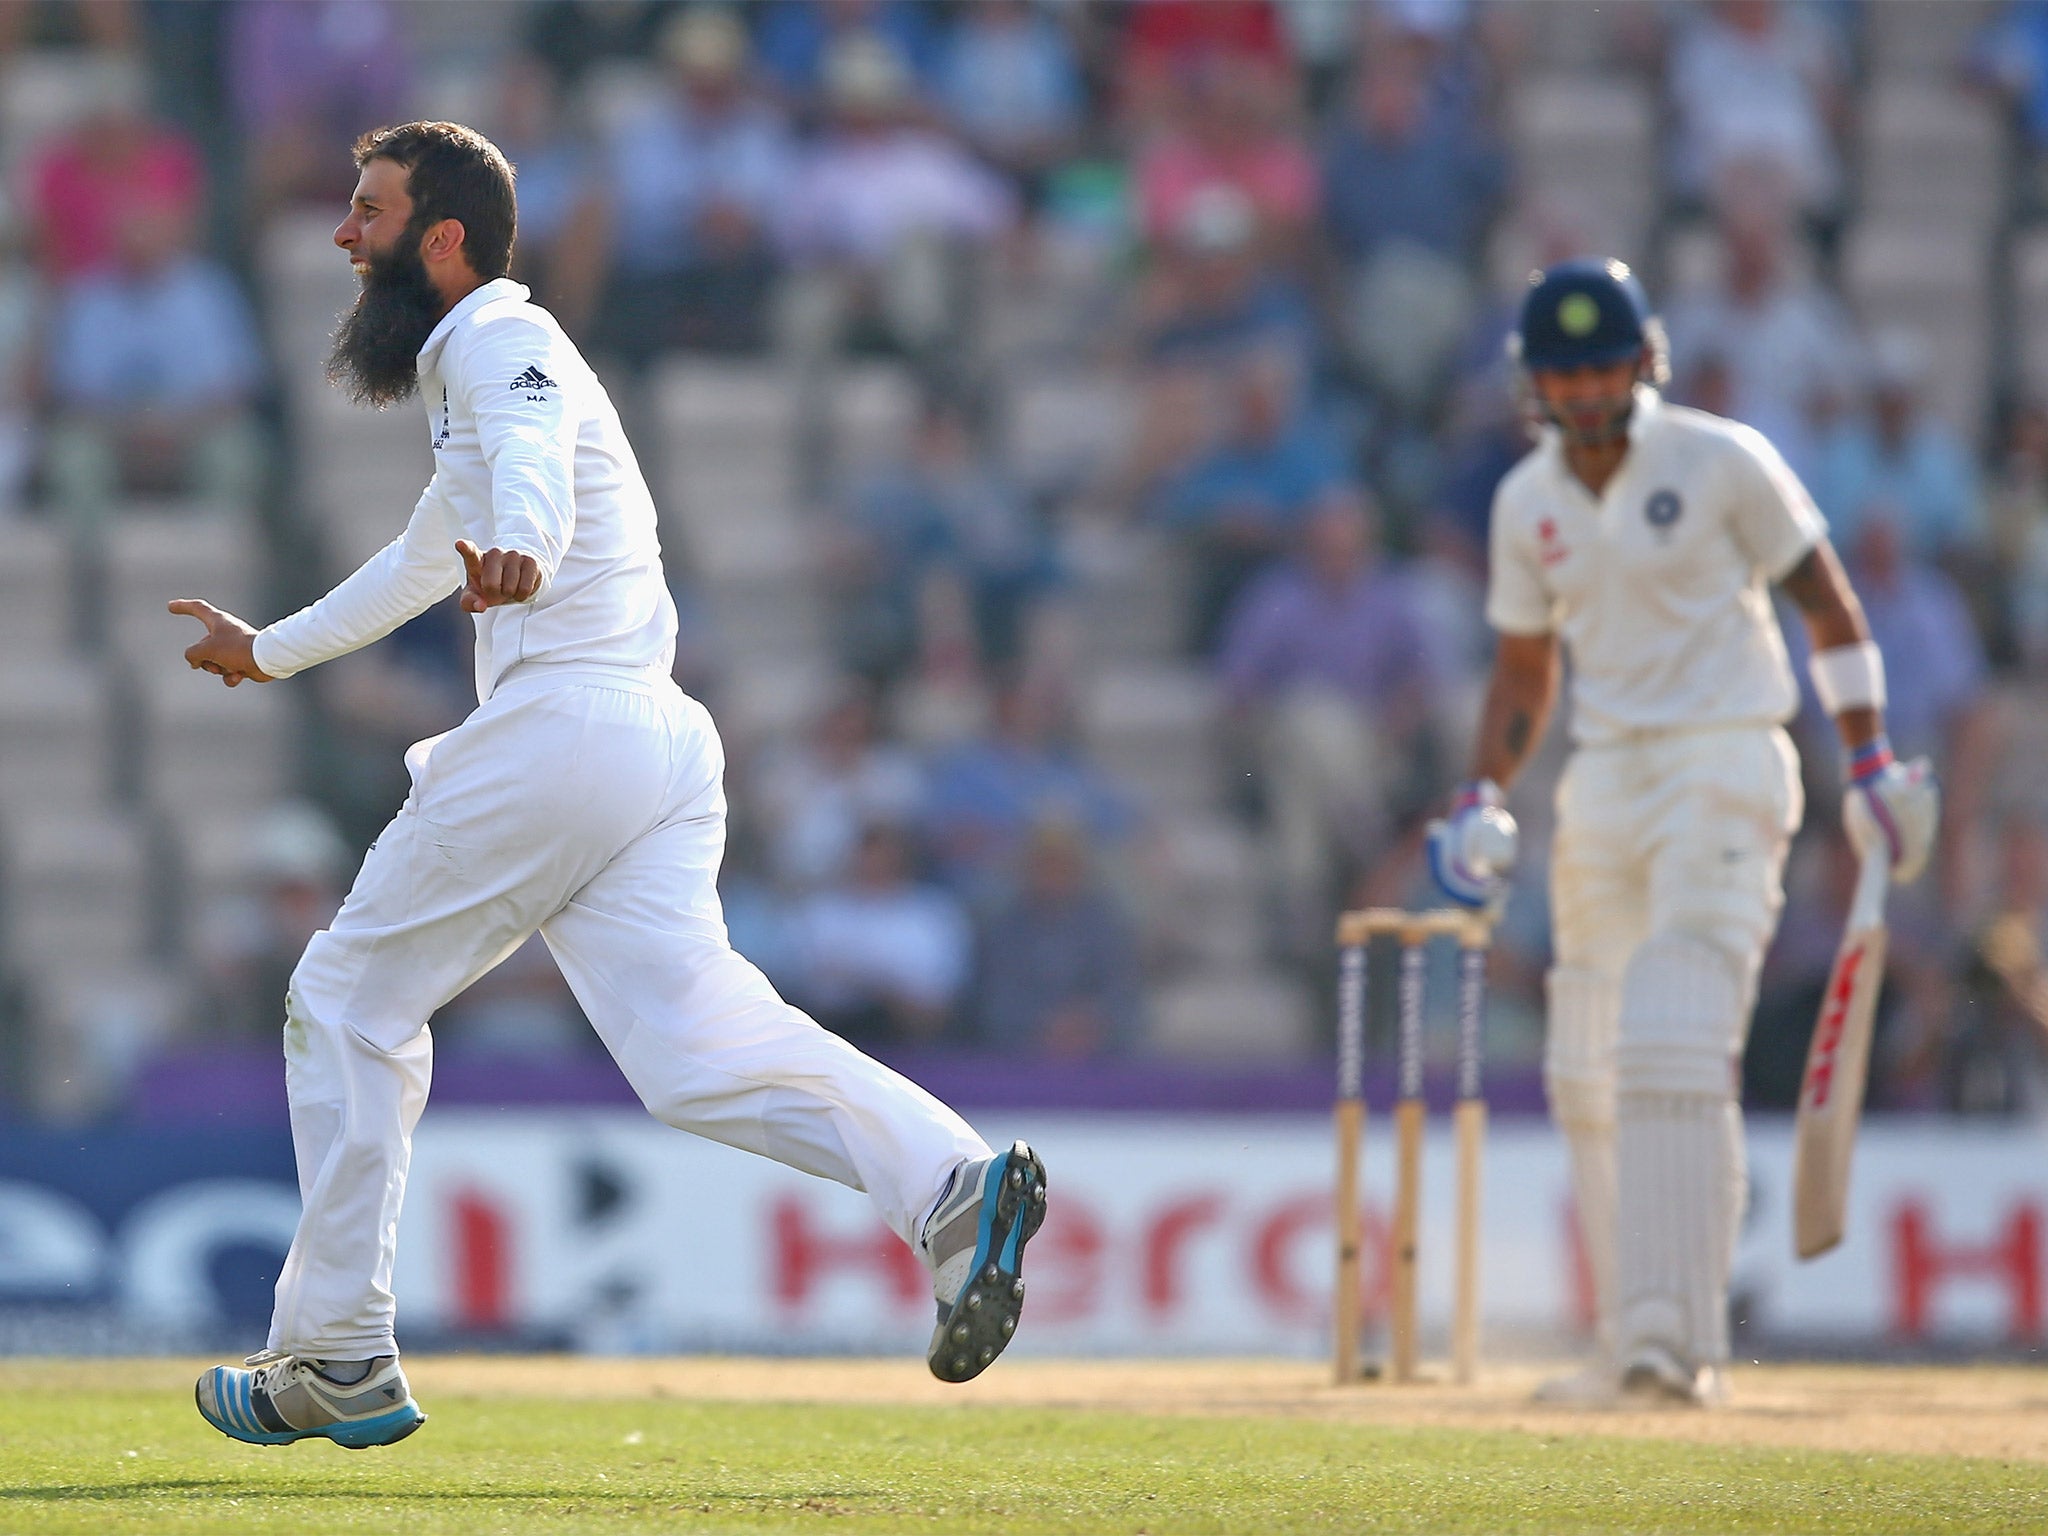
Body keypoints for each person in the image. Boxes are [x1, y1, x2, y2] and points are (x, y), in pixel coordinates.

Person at [168, 122, 1046, 1450]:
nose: (345, 237)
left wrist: (521, 543)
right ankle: (949, 1186)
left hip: (566, 725)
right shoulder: (477, 373)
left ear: (443, 238)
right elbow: (422, 556)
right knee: (697, 1051)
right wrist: (270, 651)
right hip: (651, 746)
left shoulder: (495, 341)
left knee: (345, 998)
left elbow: (522, 480)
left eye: (369, 212)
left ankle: (334, 1352)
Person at [1425, 260, 1937, 1407]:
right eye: (1564, 375)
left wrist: (1865, 759)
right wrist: (1479, 796)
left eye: (1603, 365)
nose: (1587, 392)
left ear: (1645, 360)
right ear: (1533, 387)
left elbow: (1826, 607)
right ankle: (1626, 1336)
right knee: (1583, 1065)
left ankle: (1674, 1345)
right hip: (1603, 779)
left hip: (1724, 758)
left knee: (1671, 1028)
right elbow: (1522, 668)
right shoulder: (1526, 504)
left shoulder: (1720, 461)